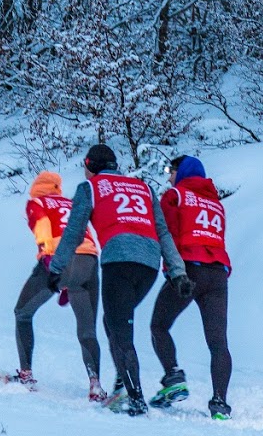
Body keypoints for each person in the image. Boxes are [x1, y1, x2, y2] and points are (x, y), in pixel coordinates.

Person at [48, 143, 188, 417]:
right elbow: (163, 232)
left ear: (90, 167)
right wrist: (178, 271)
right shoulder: (143, 188)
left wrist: (57, 268)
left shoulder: (89, 188)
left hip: (118, 260)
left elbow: (74, 232)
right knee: (114, 321)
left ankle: (134, 399)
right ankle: (122, 385)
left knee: (121, 331)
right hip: (148, 263)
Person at [148, 154, 234, 420]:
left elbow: (167, 233)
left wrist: (171, 272)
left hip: (189, 269)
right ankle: (220, 403)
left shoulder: (175, 196)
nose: (168, 176)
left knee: (158, 325)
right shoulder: (216, 204)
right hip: (218, 273)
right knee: (218, 342)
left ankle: (173, 377)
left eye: (170, 170)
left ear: (181, 171)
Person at [6, 171, 104, 400]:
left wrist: (46, 252)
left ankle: (26, 374)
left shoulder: (37, 202)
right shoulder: (70, 203)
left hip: (59, 258)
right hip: (89, 259)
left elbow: (42, 225)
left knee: (22, 312)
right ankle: (95, 384)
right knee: (87, 328)